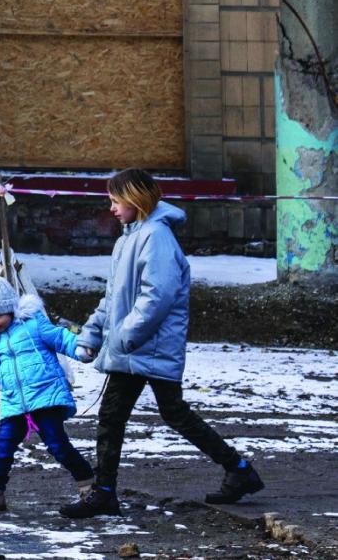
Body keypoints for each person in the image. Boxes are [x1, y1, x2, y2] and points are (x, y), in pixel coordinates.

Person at [61, 168, 264, 519]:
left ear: (135, 199)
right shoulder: (130, 237)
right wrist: (94, 333)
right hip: (136, 347)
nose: (111, 208)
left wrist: (124, 337)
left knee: (124, 415)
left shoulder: (156, 237)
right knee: (160, 413)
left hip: (147, 348)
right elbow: (113, 298)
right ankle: (240, 470)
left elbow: (158, 296)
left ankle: (105, 492)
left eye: (115, 200)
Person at [0, 275, 94, 513]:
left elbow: (62, 338)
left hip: (45, 398)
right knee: (1, 447)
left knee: (58, 446)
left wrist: (82, 349)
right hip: (14, 404)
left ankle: (88, 485)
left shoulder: (35, 325)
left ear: (12, 309)